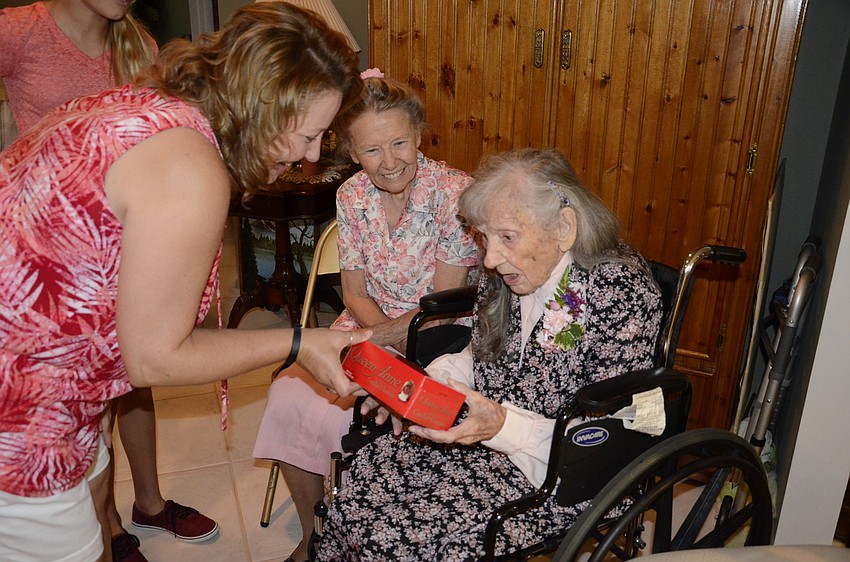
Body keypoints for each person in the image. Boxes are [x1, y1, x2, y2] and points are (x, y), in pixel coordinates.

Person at [0, 3, 369, 562]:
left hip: (52, 377)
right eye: (310, 135)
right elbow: (155, 358)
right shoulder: (188, 167)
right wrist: (301, 341)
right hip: (19, 408)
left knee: (97, 494)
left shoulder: (150, 104)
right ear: (264, 104)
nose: (311, 157)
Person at [315, 148, 665, 561]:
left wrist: (501, 425)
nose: (491, 259)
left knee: (395, 540)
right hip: (483, 435)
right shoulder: (508, 271)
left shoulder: (620, 294)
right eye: (485, 238)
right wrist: (426, 385)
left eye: (507, 237)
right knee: (356, 492)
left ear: (564, 227)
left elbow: (607, 436)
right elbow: (478, 351)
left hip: (556, 473)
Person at [0, 3, 217, 560]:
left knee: (132, 381)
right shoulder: (21, 30)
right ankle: (107, 527)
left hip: (122, 255)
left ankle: (147, 503)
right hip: (50, 277)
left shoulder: (136, 43)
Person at [252, 73, 478, 562]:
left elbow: (443, 305)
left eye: (400, 143)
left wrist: (375, 344)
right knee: (289, 393)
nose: (390, 161)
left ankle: (364, 529)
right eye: (372, 150)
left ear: (419, 135)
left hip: (437, 337)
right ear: (353, 152)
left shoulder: (457, 196)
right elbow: (352, 291)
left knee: (357, 412)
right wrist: (369, 341)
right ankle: (319, 535)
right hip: (367, 323)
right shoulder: (351, 195)